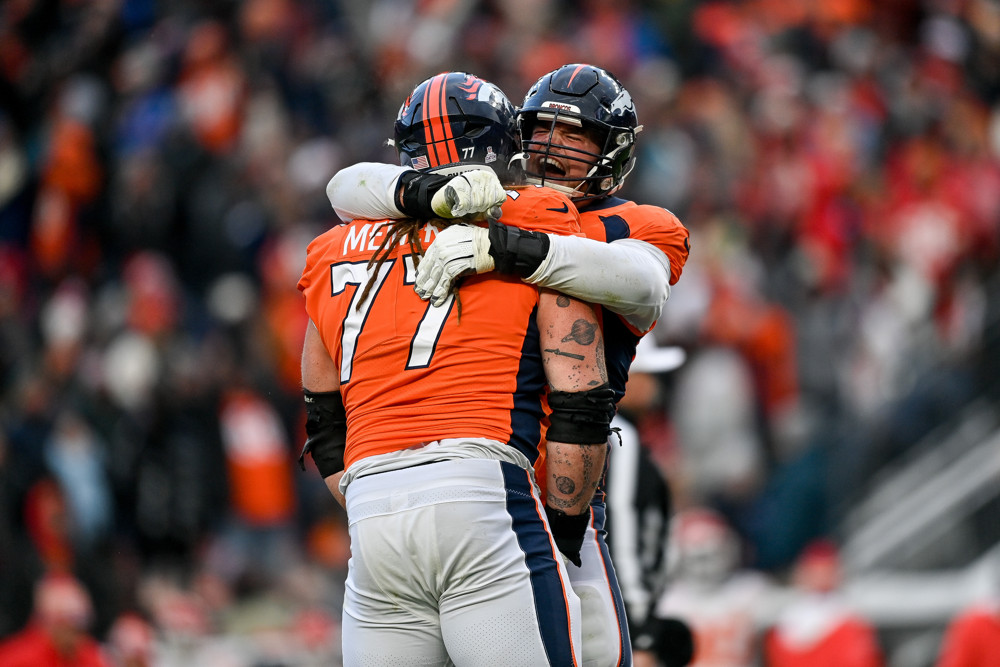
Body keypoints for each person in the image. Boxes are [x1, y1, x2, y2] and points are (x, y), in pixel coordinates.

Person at [325, 63, 691, 667]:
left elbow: (641, 283)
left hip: (561, 486)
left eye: (576, 135)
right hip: (483, 480)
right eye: (542, 129)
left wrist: (509, 250)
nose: (553, 148)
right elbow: (346, 188)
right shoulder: (488, 203)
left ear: (613, 151)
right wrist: (431, 193)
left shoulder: (631, 224)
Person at [606, 334, 691, 667]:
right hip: (624, 616)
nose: (654, 383)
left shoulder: (615, 434)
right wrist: (639, 627)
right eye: (646, 373)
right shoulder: (620, 438)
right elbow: (619, 531)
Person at [762, 540, 883, 667]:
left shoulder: (851, 620)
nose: (821, 577)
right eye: (816, 571)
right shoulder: (784, 622)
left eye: (826, 571)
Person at [0, 572, 112, 667]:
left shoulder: (90, 655)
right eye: (67, 627)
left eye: (78, 628)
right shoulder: (17, 658)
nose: (74, 637)